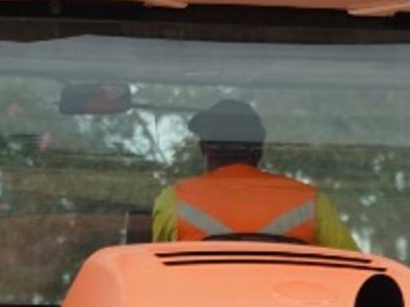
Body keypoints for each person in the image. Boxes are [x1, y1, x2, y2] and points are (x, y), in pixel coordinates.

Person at [150, 98, 356, 249]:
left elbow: (158, 273)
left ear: (205, 149)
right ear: (259, 150)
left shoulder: (174, 201)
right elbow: (356, 273)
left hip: (203, 306)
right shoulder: (311, 203)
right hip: (288, 306)